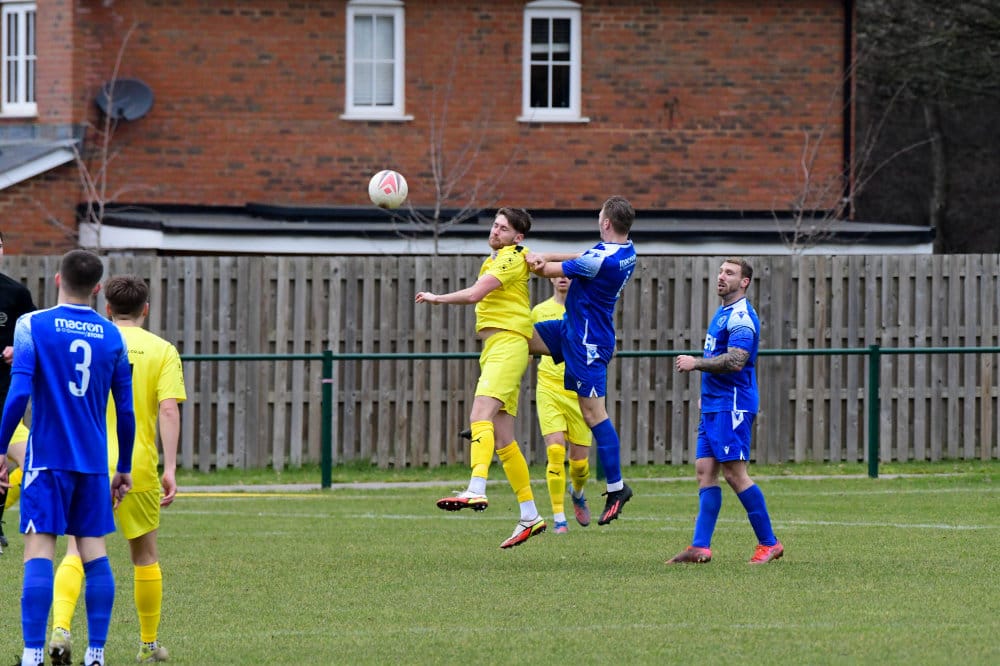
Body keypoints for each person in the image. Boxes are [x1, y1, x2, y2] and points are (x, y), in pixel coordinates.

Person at [0, 249, 136, 666]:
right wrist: (123, 467)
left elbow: (18, 394)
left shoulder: (32, 325)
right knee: (94, 554)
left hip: (46, 460)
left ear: (58, 279)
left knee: (39, 553)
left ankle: (32, 655)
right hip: (93, 464)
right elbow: (126, 411)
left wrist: (0, 447)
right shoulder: (113, 336)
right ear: (97, 289)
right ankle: (96, 655)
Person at [48, 275, 186, 664]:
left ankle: (61, 628)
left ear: (107, 308)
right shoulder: (162, 350)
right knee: (144, 555)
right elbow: (168, 409)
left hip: (89, 460)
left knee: (76, 549)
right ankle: (148, 644)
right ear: (146, 309)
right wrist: (170, 467)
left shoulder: (94, 340)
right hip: (136, 464)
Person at [415, 207, 546, 549]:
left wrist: (437, 298)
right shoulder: (506, 256)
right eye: (495, 225)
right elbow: (543, 259)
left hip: (507, 344)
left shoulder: (510, 257)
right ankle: (530, 515)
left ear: (517, 237)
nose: (495, 231)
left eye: (503, 228)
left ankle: (476, 488)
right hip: (498, 347)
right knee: (503, 439)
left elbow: (475, 294)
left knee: (479, 416)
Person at [525, 195, 637, 526]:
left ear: (606, 222)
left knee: (594, 414)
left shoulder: (600, 260)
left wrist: (530, 257)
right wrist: (546, 254)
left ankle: (617, 488)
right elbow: (581, 256)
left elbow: (545, 271)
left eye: (599, 217)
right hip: (572, 329)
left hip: (588, 342)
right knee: (518, 337)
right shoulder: (625, 250)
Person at [666, 257, 783, 565]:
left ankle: (769, 543)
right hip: (714, 404)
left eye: (729, 273)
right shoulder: (723, 312)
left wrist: (696, 363)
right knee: (705, 471)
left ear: (744, 282)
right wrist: (706, 396)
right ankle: (700, 547)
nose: (721, 276)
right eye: (720, 271)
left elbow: (736, 360)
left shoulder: (741, 316)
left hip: (732, 405)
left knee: (734, 474)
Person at [531, 277, 592, 534]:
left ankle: (577, 492)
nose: (563, 278)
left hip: (579, 391)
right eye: (558, 273)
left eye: (568, 273)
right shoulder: (539, 311)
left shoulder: (588, 309)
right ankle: (559, 519)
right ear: (551, 277)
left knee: (580, 465)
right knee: (555, 450)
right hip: (549, 388)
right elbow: (528, 347)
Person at [0, 229, 38, 550]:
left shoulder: (16, 294)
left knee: (31, 460)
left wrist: (19, 348)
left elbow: (35, 335)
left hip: (4, 406)